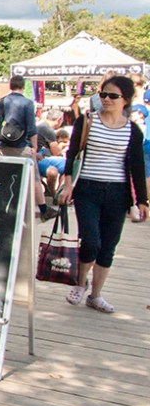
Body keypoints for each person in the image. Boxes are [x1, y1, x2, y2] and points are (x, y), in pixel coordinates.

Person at [59, 75, 148, 313]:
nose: (106, 100)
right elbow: (72, 155)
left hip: (117, 193)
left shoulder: (133, 131)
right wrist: (67, 184)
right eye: (103, 95)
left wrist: (142, 200)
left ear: (126, 101)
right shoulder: (87, 121)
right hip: (87, 188)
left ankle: (95, 295)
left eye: (113, 96)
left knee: (108, 245)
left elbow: (137, 167)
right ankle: (80, 283)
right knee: (91, 241)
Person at [0, 75, 55, 221]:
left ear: (10, 85)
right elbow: (32, 128)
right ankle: (44, 210)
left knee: (4, 178)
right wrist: (33, 147)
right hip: (21, 146)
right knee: (34, 178)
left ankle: (1, 209)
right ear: (23, 86)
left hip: (3, 146)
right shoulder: (27, 104)